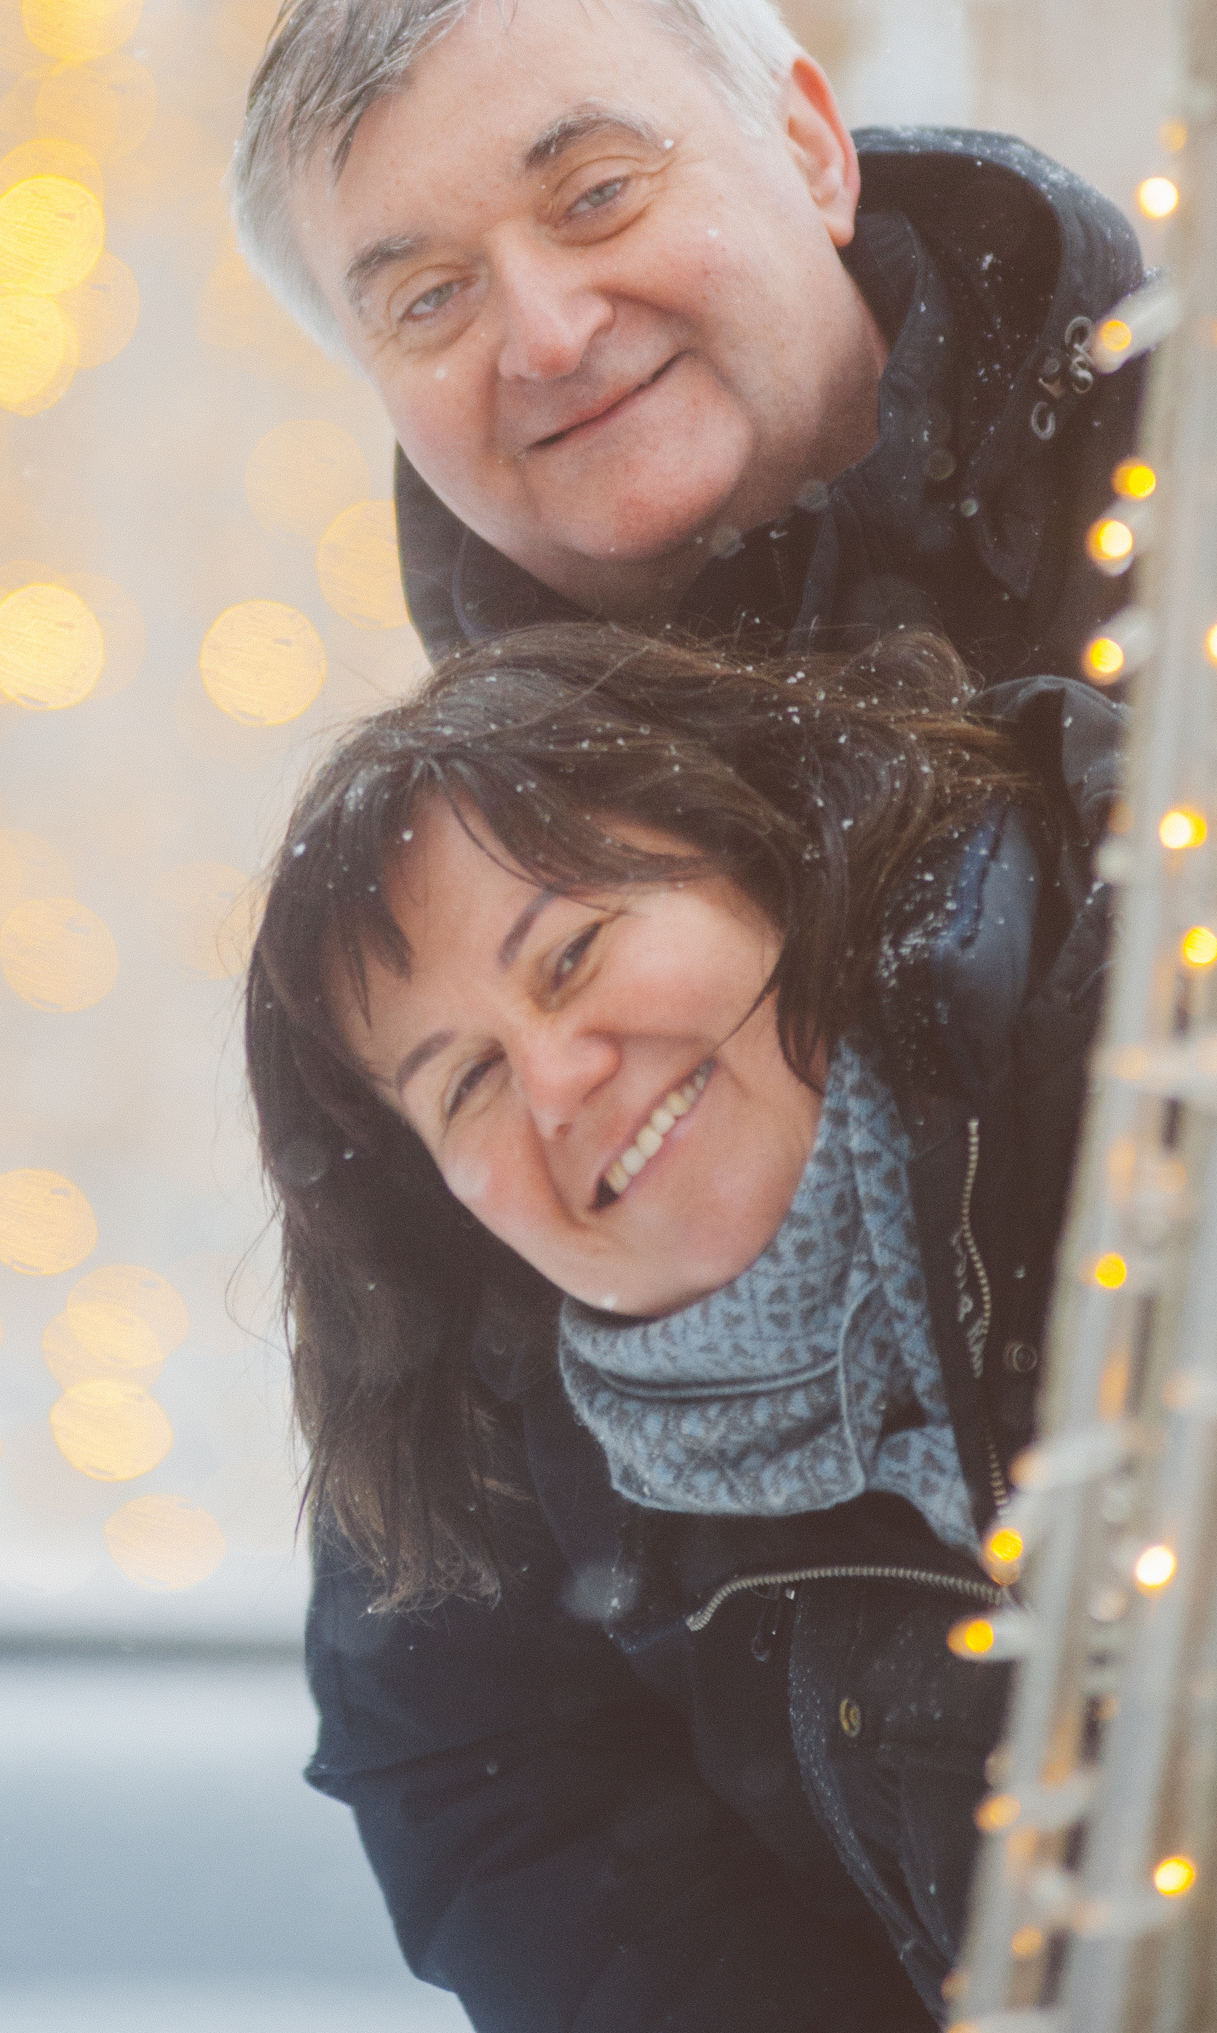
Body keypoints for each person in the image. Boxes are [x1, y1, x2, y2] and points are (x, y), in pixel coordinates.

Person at [246, 622, 1122, 2028]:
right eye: (462, 1082)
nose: (552, 1081)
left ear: (774, 865)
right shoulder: (571, 1498)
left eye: (573, 955)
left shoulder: (1146, 1014)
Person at [228, 0, 1148, 678]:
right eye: (429, 300)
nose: (548, 339)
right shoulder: (473, 864)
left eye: (596, 196)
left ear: (810, 152)